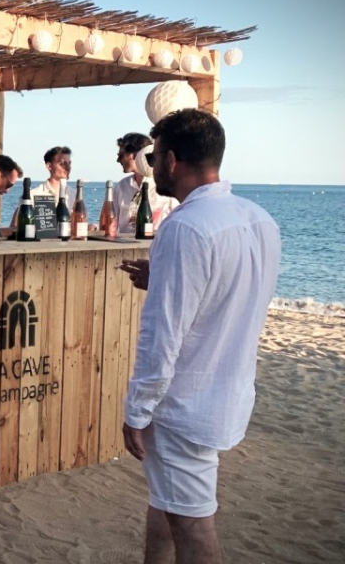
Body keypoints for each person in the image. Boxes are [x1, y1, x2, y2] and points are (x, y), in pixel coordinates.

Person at [118, 109, 280, 564]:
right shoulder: (258, 219)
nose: (151, 165)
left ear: (171, 160)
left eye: (155, 156)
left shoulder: (185, 226)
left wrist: (138, 409)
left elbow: (162, 335)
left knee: (193, 526)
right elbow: (230, 292)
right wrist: (166, 276)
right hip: (227, 392)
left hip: (183, 404)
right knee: (169, 502)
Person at [112, 133, 178, 235]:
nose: (117, 160)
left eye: (121, 156)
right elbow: (112, 219)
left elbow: (177, 221)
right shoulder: (121, 186)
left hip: (155, 245)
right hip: (124, 247)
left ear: (136, 154)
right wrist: (95, 226)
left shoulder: (165, 185)